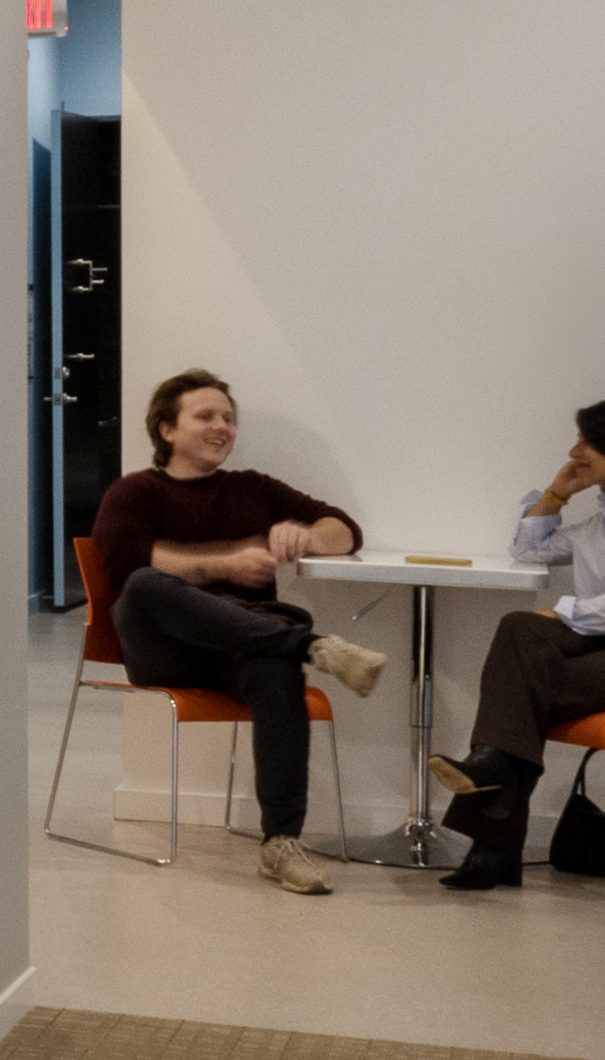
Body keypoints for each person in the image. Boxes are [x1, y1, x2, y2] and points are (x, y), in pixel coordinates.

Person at [84, 369, 389, 893]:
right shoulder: (135, 492)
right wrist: (225, 567)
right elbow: (126, 565)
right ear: (166, 430)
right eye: (205, 416)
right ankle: (313, 646)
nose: (221, 426)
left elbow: (345, 529)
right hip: (166, 652)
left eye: (228, 418)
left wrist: (307, 536)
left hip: (243, 651)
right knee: (144, 585)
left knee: (275, 665)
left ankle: (280, 844)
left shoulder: (254, 488)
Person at [432, 398, 605, 890]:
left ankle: (493, 839)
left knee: (521, 693)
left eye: (587, 442)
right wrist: (559, 493)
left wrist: (564, 610)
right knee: (521, 628)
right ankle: (493, 778)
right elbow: (529, 549)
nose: (574, 451)